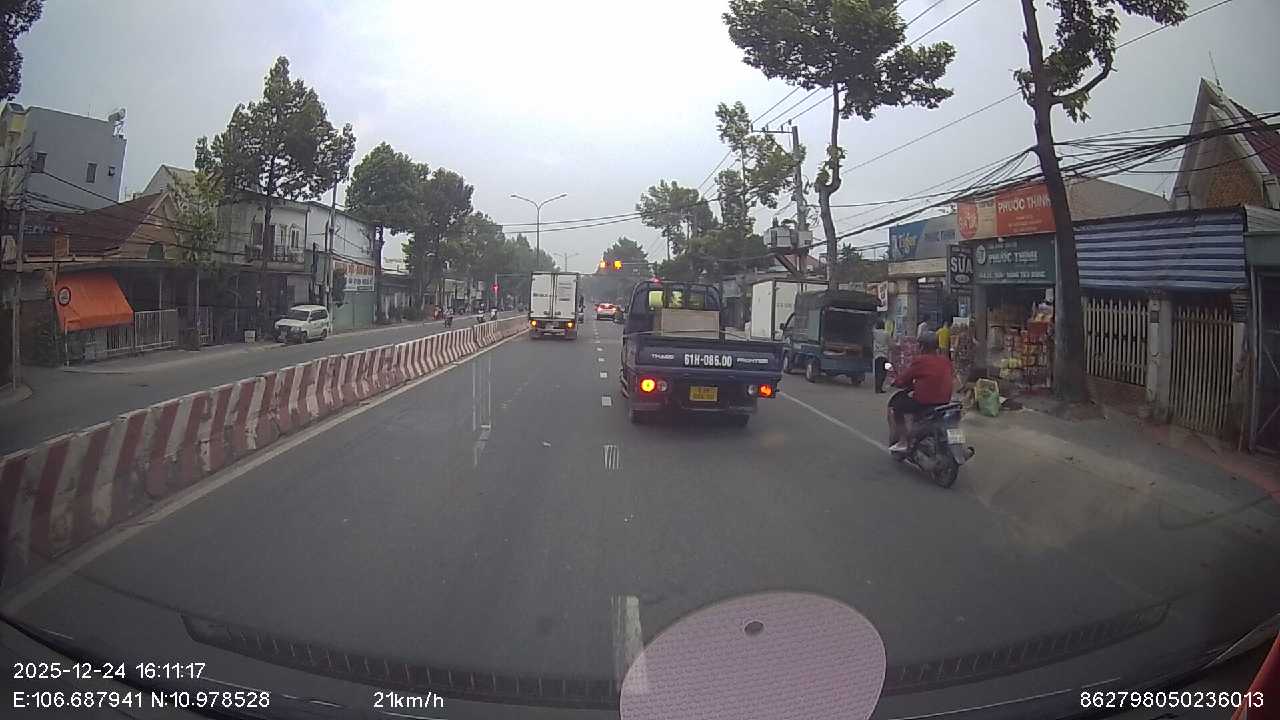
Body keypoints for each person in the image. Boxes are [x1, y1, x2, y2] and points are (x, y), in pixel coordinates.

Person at [888, 331, 954, 452]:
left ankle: (903, 441)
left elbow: (904, 378)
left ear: (922, 346)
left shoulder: (921, 361)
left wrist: (896, 382)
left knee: (896, 405)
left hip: (925, 402)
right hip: (945, 402)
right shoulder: (945, 361)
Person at [872, 320, 890, 394]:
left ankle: (877, 388)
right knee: (884, 372)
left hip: (877, 355)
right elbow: (890, 343)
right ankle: (880, 387)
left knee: (877, 372)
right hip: (885, 355)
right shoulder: (887, 333)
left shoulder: (874, 333)